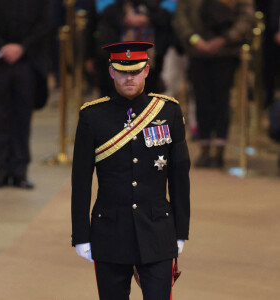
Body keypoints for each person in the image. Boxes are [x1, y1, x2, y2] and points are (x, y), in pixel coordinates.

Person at [71, 41, 190, 299]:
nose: (129, 77)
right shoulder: (92, 116)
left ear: (147, 70)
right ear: (111, 71)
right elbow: (80, 182)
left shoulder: (168, 111)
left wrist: (181, 231)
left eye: (135, 71)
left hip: (157, 229)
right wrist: (81, 234)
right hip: (109, 231)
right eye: (122, 71)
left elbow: (179, 177)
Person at [173, 0, 255, 168]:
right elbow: (181, 18)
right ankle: (204, 147)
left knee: (221, 101)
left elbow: (246, 17)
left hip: (226, 53)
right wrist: (195, 40)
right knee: (201, 100)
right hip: (197, 53)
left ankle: (219, 148)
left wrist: (225, 39)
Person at [0, 0, 53, 189]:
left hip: (28, 60)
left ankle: (20, 172)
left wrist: (22, 47)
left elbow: (45, 21)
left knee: (22, 118)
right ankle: (1, 172)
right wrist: (3, 47)